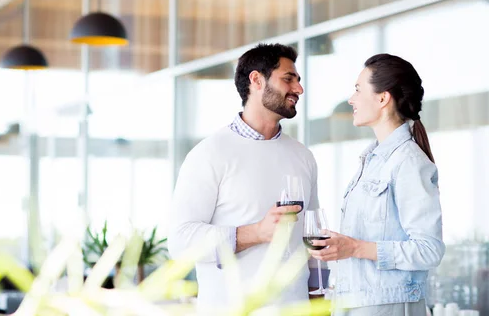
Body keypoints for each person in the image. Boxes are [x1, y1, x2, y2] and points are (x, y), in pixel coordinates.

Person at [168, 43, 320, 309]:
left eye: (298, 80)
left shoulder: (303, 156)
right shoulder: (209, 154)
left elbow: (310, 237)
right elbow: (181, 241)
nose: (298, 89)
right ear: (256, 80)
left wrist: (318, 294)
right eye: (288, 79)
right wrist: (254, 233)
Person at [308, 54, 445, 315]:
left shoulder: (409, 162)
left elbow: (429, 250)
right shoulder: (371, 160)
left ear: (383, 98)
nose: (351, 99)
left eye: (358, 90)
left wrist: (355, 247)